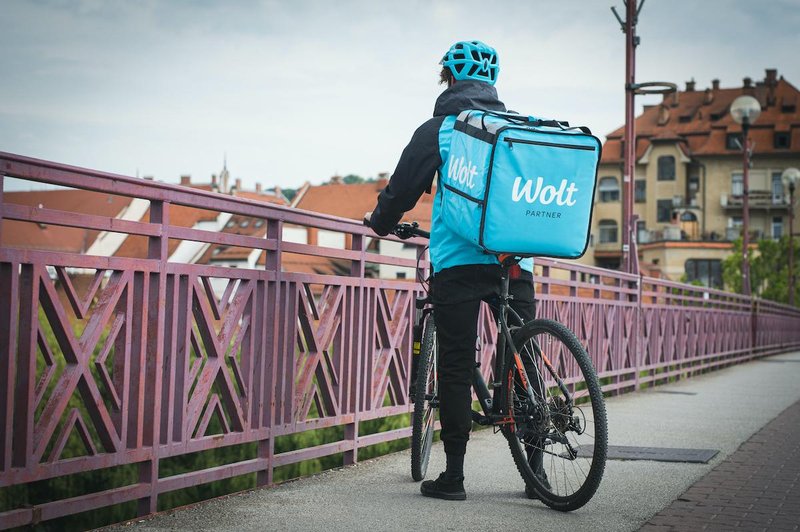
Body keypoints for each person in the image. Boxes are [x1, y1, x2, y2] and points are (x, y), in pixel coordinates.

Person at [365, 40, 544, 501]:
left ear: (447, 77)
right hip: (514, 261)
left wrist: (381, 223)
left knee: (457, 362)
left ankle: (455, 477)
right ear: (492, 83)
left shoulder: (440, 130)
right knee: (525, 356)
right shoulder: (516, 127)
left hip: (459, 262)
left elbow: (402, 190)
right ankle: (537, 469)